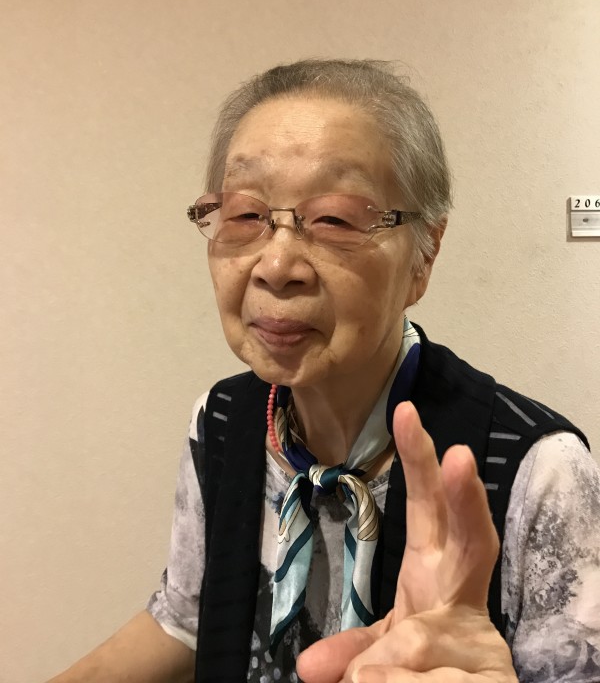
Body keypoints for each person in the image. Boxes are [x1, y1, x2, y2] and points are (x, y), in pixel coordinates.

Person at [47, 59, 600, 683]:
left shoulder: (540, 469)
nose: (276, 265)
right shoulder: (223, 419)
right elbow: (186, 616)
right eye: (245, 215)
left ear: (424, 255)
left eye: (334, 218)